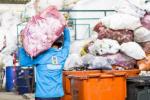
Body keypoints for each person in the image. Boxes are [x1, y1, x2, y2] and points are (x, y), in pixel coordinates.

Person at [19, 27, 70, 100]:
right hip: (57, 95)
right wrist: (66, 28)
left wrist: (23, 44)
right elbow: (67, 42)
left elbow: (24, 63)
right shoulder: (62, 55)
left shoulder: (40, 56)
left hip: (42, 96)